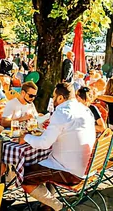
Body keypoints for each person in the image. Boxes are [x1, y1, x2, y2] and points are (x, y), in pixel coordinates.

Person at [19, 83, 96, 211]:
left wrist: (25, 137)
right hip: (87, 167)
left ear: (60, 98)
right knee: (42, 163)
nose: (53, 99)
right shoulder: (85, 109)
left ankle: (58, 207)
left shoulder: (62, 111)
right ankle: (47, 206)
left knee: (24, 177)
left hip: (70, 171)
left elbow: (44, 144)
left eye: (54, 96)